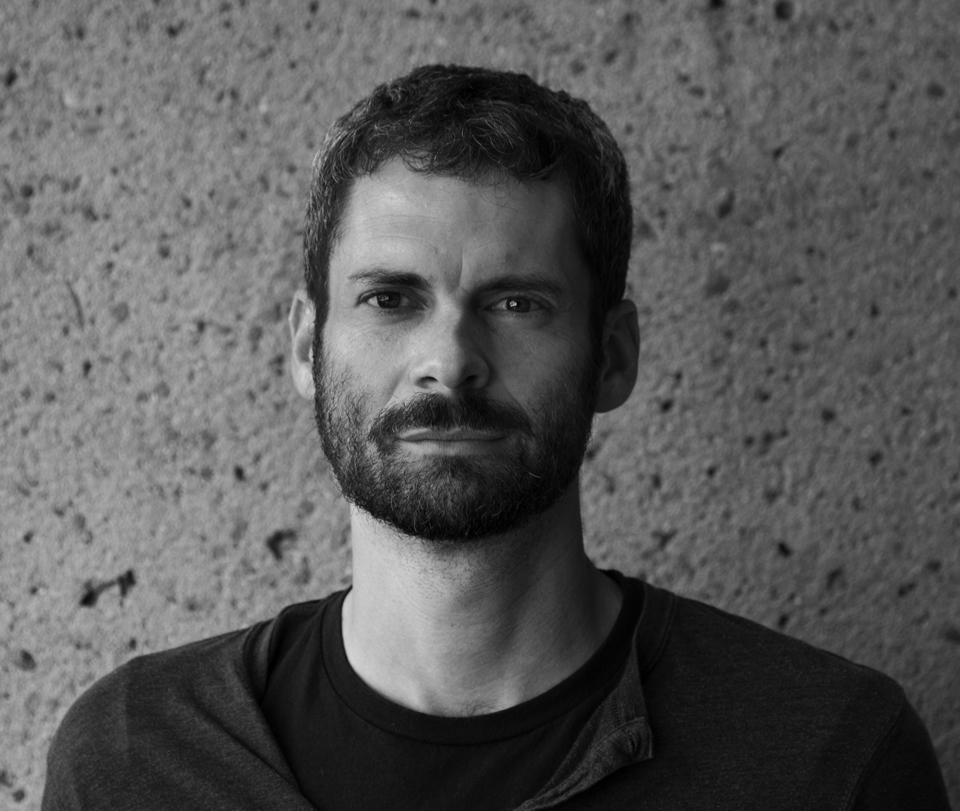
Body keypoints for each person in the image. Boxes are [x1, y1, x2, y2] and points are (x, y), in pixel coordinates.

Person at [43, 64, 950, 811]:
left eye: (516, 303)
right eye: (390, 299)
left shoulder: (828, 759)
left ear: (612, 356)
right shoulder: (134, 760)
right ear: (306, 348)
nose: (449, 361)